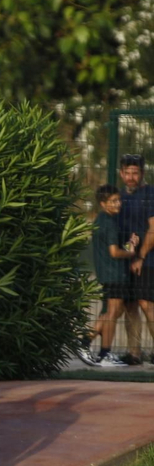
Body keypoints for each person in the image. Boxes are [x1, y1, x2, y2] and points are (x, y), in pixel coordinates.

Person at [80, 185, 137, 367]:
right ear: (103, 204)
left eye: (118, 200)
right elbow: (114, 252)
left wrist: (129, 244)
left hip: (108, 273)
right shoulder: (110, 222)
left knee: (113, 312)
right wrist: (132, 251)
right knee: (112, 313)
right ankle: (103, 353)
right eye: (113, 201)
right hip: (115, 274)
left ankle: (86, 342)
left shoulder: (100, 220)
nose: (118, 204)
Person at [118, 155, 154, 364]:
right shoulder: (119, 197)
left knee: (146, 304)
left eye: (135, 172)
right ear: (121, 173)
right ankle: (134, 353)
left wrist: (140, 256)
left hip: (148, 259)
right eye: (127, 172)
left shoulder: (150, 193)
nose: (131, 177)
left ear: (142, 173)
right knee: (129, 305)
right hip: (126, 260)